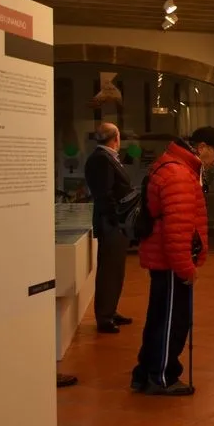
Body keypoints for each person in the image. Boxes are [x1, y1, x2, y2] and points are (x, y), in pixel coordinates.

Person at [131, 127, 214, 396]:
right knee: (173, 320)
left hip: (164, 260)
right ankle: (161, 376)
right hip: (170, 262)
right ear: (203, 147)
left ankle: (145, 372)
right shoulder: (179, 175)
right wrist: (185, 267)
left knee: (159, 316)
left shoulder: (174, 166)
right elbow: (177, 228)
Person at [84, 122, 134, 334]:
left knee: (115, 271)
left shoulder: (106, 158)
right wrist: (118, 219)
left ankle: (110, 310)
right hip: (111, 223)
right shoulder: (101, 160)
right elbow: (105, 195)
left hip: (114, 222)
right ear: (116, 138)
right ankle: (104, 317)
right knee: (108, 271)